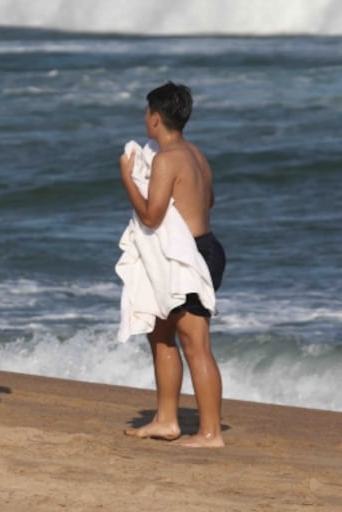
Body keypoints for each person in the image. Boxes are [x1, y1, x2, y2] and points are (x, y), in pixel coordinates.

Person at [119, 81, 226, 447]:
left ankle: (211, 433)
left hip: (189, 257)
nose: (145, 119)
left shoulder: (166, 159)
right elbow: (208, 199)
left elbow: (150, 216)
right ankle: (166, 420)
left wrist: (127, 179)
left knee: (195, 344)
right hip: (202, 246)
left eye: (147, 113)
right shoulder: (196, 153)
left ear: (156, 117)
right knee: (160, 333)